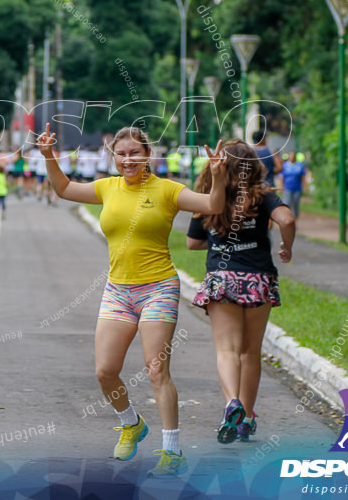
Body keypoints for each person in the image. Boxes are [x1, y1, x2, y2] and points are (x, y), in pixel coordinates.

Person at [36, 122, 227, 477]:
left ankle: (172, 451)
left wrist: (216, 174)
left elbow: (213, 204)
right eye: (121, 154)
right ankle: (131, 424)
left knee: (157, 371)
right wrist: (48, 155)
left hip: (158, 288)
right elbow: (62, 189)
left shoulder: (168, 190)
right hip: (118, 291)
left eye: (134, 153)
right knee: (105, 371)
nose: (128, 160)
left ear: (147, 155)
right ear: (113, 157)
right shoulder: (107, 188)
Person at [187, 140, 295, 444]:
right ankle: (247, 417)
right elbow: (287, 219)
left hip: (223, 280)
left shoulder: (209, 198)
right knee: (250, 352)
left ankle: (231, 402)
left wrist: (221, 242)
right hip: (259, 279)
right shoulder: (264, 196)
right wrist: (287, 245)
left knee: (227, 350)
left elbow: (192, 243)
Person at [279, 152, 307, 217]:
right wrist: (281, 187)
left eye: (293, 156)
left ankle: (295, 220)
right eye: (291, 156)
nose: (292, 157)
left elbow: (303, 177)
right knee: (287, 203)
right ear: (289, 157)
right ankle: (287, 217)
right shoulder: (284, 165)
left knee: (295, 204)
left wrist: (305, 186)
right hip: (287, 188)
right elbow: (281, 177)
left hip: (297, 188)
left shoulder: (300, 166)